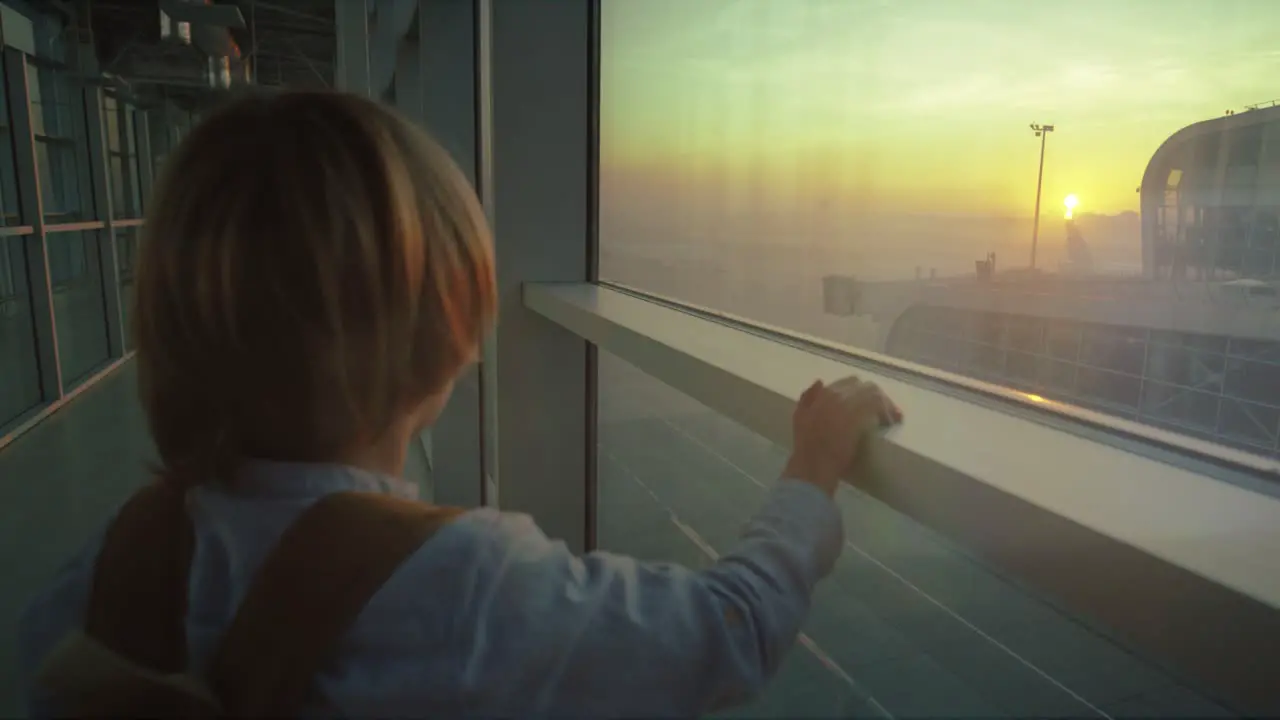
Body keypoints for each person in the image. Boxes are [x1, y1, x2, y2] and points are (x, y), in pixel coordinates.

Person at [17, 90, 902, 718]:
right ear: (441, 345)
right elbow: (727, 632)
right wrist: (812, 464)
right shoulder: (466, 590)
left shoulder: (102, 573)